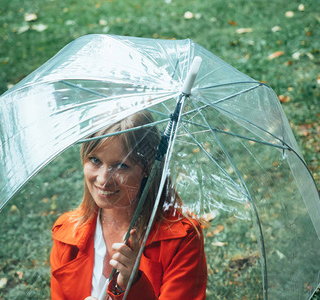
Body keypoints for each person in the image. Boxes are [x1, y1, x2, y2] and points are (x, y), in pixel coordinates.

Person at [50, 111, 207, 300]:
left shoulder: (181, 238)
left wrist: (133, 284)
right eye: (95, 160)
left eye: (121, 165)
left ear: (148, 168)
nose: (103, 179)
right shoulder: (67, 234)